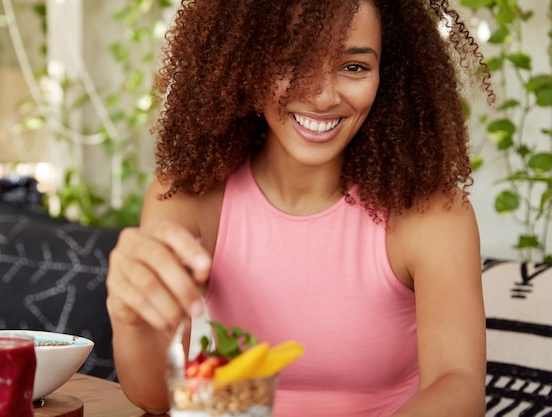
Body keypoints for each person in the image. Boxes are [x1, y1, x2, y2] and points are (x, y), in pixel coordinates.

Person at [106, 0, 492, 415]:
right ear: (246, 63)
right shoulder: (190, 197)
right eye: (293, 62)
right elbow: (158, 397)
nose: (323, 96)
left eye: (355, 67)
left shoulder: (431, 211)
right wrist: (131, 319)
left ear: (389, 74)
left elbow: (461, 386)